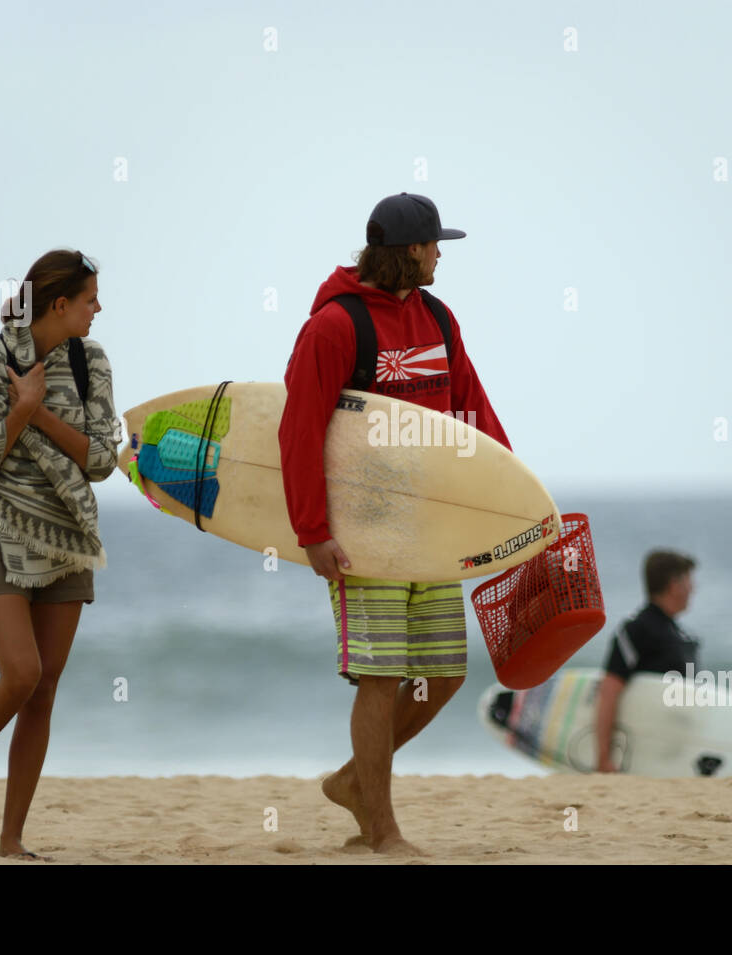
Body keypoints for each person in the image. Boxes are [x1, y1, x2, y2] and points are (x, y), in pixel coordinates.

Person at [279, 193, 511, 855]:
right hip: (363, 530)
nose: (442, 254)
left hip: (429, 529)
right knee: (381, 676)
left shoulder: (437, 317)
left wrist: (514, 503)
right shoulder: (335, 326)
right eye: (436, 243)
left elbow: (473, 411)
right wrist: (312, 530)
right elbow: (299, 430)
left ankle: (356, 780)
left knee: (441, 673)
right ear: (411, 249)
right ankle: (381, 829)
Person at [0, 250, 121, 859]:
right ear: (60, 304)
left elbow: (100, 462)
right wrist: (18, 413)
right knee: (23, 672)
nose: (100, 308)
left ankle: (12, 842)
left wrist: (37, 410)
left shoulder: (91, 363)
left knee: (44, 692)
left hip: (66, 535)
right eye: (92, 298)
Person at [594, 550, 699, 773]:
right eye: (689, 581)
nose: (693, 589)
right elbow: (609, 690)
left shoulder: (679, 634)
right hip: (651, 748)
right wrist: (604, 758)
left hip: (672, 750)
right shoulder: (637, 630)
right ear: (674, 584)